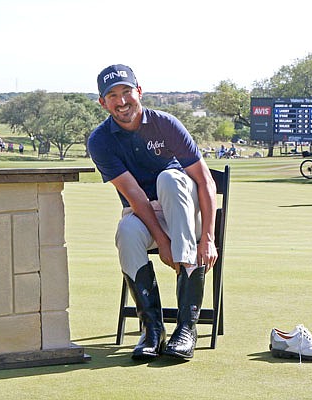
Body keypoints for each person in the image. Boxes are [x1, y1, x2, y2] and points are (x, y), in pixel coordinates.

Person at [88, 64, 217, 360]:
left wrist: (208, 237)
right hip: (147, 215)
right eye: (112, 96)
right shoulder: (100, 141)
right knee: (127, 231)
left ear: (139, 91)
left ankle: (186, 328)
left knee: (168, 178)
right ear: (102, 102)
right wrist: (162, 240)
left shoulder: (166, 124)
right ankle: (152, 331)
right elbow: (134, 196)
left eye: (126, 92)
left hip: (184, 208)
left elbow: (205, 181)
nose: (121, 102)